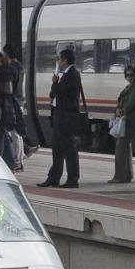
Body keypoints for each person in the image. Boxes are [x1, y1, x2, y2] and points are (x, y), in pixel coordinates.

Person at [41, 48, 83, 188]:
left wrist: (54, 82)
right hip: (59, 114)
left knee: (69, 148)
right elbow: (54, 94)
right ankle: (53, 177)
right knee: (57, 148)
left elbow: (58, 90)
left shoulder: (71, 74)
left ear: (65, 60)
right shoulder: (66, 74)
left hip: (66, 115)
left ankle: (72, 179)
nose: (57, 62)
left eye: (59, 59)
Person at [108, 63, 135, 184]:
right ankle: (127, 175)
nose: (129, 77)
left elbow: (132, 102)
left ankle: (120, 176)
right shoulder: (129, 88)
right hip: (125, 120)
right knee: (126, 148)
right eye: (127, 75)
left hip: (131, 121)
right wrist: (118, 109)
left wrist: (122, 110)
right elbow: (121, 100)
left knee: (120, 147)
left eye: (131, 75)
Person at [0, 47, 26, 170]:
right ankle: (19, 158)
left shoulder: (11, 69)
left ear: (6, 55)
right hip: (17, 100)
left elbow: (9, 88)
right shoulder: (19, 66)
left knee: (13, 133)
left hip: (13, 102)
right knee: (16, 133)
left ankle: (16, 161)